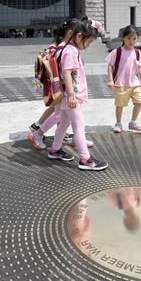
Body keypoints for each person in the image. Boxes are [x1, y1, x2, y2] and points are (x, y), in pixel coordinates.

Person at [47, 21, 108, 171]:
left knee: (64, 124)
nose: (88, 46)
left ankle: (55, 150)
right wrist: (72, 95)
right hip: (70, 96)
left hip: (65, 95)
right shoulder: (71, 51)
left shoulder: (66, 48)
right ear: (79, 36)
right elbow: (67, 72)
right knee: (79, 125)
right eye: (88, 42)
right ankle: (85, 159)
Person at [28, 19, 94, 150]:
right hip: (63, 89)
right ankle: (40, 132)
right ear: (72, 33)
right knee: (70, 119)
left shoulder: (63, 47)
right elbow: (65, 72)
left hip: (63, 89)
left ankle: (48, 139)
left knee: (61, 116)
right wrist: (70, 93)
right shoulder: (66, 49)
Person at [107, 25, 141, 133]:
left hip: (134, 83)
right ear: (123, 38)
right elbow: (110, 65)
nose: (131, 41)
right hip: (121, 84)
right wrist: (110, 80)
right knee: (120, 105)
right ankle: (118, 123)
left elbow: (140, 67)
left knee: (139, 102)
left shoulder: (137, 53)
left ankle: (133, 123)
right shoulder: (117, 52)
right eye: (128, 38)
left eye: (134, 39)